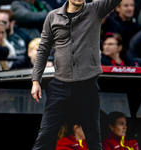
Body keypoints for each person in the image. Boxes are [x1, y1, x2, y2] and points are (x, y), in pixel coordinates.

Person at [31, 0, 122, 149]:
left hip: (87, 85)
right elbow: (43, 49)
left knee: (93, 138)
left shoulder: (96, 9)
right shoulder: (53, 16)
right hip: (60, 84)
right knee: (45, 135)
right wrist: (36, 81)